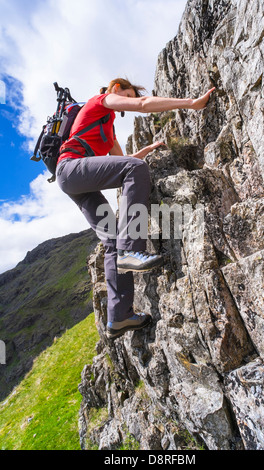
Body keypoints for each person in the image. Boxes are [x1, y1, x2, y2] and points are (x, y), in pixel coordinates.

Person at [56, 78, 215, 340]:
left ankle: (119, 317)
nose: (125, 103)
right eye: (126, 95)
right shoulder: (101, 101)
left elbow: (123, 160)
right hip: (71, 169)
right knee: (136, 172)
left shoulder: (107, 131)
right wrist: (191, 103)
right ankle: (132, 251)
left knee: (111, 242)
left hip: (75, 182)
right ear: (116, 87)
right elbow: (142, 104)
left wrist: (147, 149)